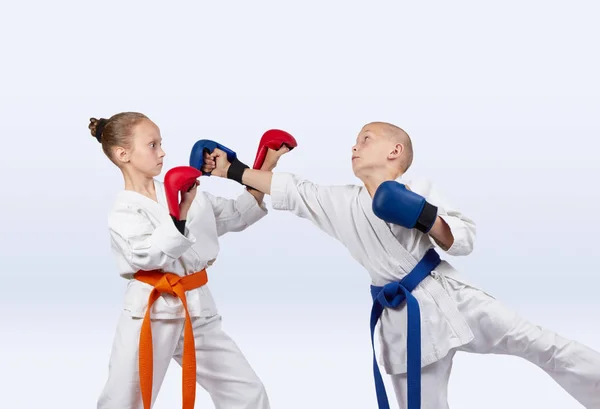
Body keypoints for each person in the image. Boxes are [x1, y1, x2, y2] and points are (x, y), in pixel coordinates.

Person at [202, 121, 600, 409]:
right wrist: (230, 169)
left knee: (544, 345)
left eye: (365, 139)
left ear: (395, 152)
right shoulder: (341, 201)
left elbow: (464, 239)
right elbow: (293, 189)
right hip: (401, 319)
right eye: (355, 142)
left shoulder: (420, 190)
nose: (354, 147)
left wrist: (426, 217)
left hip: (452, 297)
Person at [89, 112, 288, 409]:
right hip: (151, 312)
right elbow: (148, 254)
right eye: (153, 145)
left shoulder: (184, 190)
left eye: (161, 143)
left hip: (197, 309)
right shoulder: (124, 209)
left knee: (247, 394)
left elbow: (237, 214)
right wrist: (180, 212)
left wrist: (264, 164)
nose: (163, 152)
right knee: (123, 402)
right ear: (123, 154)